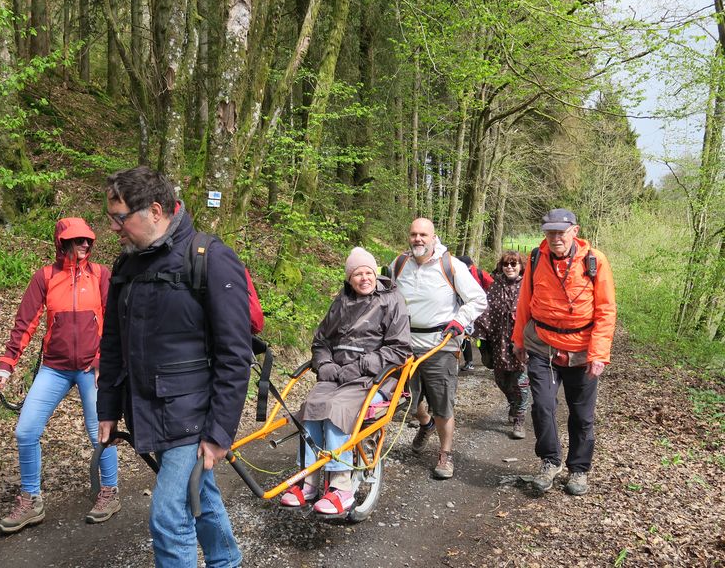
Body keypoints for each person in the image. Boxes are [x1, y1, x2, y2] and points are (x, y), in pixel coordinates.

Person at [96, 166, 252, 568]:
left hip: (193, 416)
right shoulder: (126, 265)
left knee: (168, 516)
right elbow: (114, 341)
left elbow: (236, 355)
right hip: (148, 409)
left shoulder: (211, 258)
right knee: (197, 494)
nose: (113, 228)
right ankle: (227, 561)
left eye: (119, 218)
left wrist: (219, 433)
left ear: (155, 210)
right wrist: (108, 408)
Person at [0, 218, 119, 534]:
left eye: (88, 240)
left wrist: (105, 359)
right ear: (62, 243)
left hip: (93, 367)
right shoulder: (45, 277)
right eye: (78, 240)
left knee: (100, 432)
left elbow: (116, 322)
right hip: (55, 368)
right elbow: (25, 324)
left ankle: (110, 492)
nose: (85, 245)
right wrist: (6, 366)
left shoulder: (101, 275)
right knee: (26, 430)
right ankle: (31, 500)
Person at [280, 248, 411, 514]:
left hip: (373, 377)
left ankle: (341, 488)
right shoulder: (341, 302)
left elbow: (399, 349)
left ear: (375, 273)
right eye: (357, 274)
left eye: (368, 272)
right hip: (337, 374)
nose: (364, 278)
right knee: (312, 405)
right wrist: (325, 363)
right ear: (349, 279)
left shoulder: (391, 300)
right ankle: (308, 481)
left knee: (338, 408)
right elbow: (321, 341)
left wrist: (361, 365)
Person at [512, 209, 616, 496]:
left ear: (574, 231)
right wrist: (518, 339)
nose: (556, 237)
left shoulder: (595, 260)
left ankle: (579, 469)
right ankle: (550, 460)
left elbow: (606, 310)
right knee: (543, 406)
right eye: (550, 232)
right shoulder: (536, 258)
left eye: (561, 231)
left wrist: (599, 353)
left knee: (582, 415)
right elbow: (525, 301)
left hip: (582, 350)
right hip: (542, 345)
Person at [391, 218, 487, 479]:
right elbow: (385, 296)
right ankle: (425, 424)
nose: (418, 239)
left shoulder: (451, 266)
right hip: (403, 345)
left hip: (441, 345)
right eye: (413, 234)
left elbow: (478, 299)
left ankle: (445, 454)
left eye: (423, 234)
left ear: (434, 238)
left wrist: (460, 321)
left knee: (442, 403)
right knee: (403, 399)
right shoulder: (399, 265)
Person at [474, 251, 531, 439]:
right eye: (506, 264)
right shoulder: (495, 286)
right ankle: (513, 404)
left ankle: (519, 420)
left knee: (521, 383)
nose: (510, 268)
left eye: (514, 264)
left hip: (522, 343)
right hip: (499, 342)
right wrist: (480, 334)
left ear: (521, 266)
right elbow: (485, 310)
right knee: (502, 381)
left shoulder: (527, 285)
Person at [456, 256, 493, 371]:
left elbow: (493, 286)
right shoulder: (456, 274)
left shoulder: (480, 273)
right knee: (465, 334)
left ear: (470, 265)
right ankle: (469, 361)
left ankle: (490, 357)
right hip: (464, 308)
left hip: (482, 310)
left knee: (483, 336)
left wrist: (487, 300)